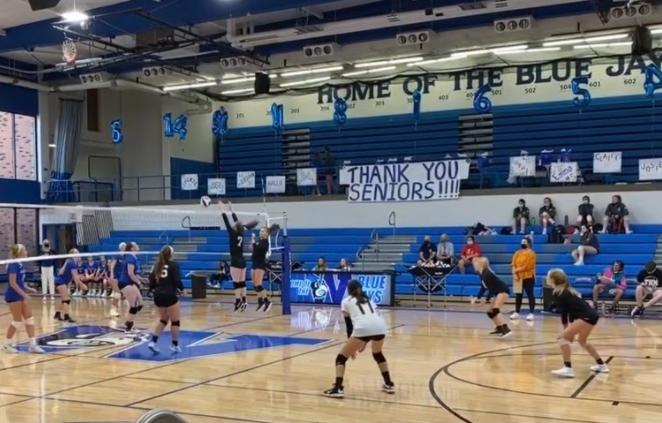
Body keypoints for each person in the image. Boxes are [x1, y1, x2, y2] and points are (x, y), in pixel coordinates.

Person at [323, 280, 394, 398]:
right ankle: (389, 384)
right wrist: (362, 342)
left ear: (349, 291)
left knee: (341, 358)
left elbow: (349, 326)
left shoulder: (346, 301)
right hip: (381, 327)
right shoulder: (369, 299)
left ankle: (337, 388)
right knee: (378, 354)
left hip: (363, 329)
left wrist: (351, 347)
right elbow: (371, 319)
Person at [547, 269, 609, 378]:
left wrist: (567, 331)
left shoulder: (559, 292)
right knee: (582, 341)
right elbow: (571, 311)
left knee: (561, 338)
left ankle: (568, 368)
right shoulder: (565, 290)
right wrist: (569, 331)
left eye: (548, 276)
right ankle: (601, 365)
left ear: (552, 280)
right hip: (591, 315)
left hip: (587, 316)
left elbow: (564, 312)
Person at [3, 244, 44, 353]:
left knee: (30, 319)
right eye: (25, 249)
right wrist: (25, 295)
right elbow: (12, 283)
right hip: (13, 296)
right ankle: (6, 344)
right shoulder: (13, 264)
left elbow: (19, 282)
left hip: (20, 294)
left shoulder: (20, 264)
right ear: (19, 252)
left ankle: (32, 345)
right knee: (17, 321)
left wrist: (28, 289)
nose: (26, 251)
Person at [221, 201, 259, 313]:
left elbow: (226, 221)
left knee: (236, 283)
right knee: (242, 282)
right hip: (242, 261)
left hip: (235, 261)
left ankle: (237, 301)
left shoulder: (233, 233)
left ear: (235, 228)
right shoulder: (241, 233)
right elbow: (235, 221)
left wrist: (222, 209)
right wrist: (232, 209)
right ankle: (244, 300)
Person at [148, 245, 184, 354]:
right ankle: (174, 344)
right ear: (172, 254)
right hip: (169, 295)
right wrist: (182, 289)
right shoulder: (174, 265)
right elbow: (177, 280)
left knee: (163, 319)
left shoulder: (156, 265)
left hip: (158, 295)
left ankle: (153, 342)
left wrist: (153, 289)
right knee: (175, 321)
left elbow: (151, 282)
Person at [474, 257, 512, 338]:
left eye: (476, 263)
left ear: (481, 264)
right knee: (490, 312)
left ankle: (506, 329)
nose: (474, 264)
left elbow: (491, 289)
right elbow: (483, 287)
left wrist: (485, 300)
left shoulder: (487, 274)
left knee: (495, 309)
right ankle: (499, 328)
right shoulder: (482, 274)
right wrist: (477, 298)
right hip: (497, 292)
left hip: (503, 290)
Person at [118, 242, 147, 333]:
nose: (138, 246)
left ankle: (128, 322)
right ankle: (129, 327)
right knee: (134, 306)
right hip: (125, 283)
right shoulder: (130, 258)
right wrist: (138, 282)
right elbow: (130, 274)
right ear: (131, 248)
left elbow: (133, 273)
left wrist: (142, 279)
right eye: (136, 245)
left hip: (130, 283)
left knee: (140, 304)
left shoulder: (133, 257)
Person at [251, 224, 279, 312]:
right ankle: (260, 301)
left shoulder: (265, 242)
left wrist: (253, 243)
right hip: (254, 263)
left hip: (260, 265)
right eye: (260, 231)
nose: (260, 232)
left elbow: (259, 248)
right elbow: (255, 249)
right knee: (255, 285)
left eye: (262, 231)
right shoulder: (260, 240)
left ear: (266, 234)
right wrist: (253, 245)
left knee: (258, 285)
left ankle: (267, 301)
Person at [54, 249, 87, 323]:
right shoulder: (71, 262)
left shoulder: (71, 262)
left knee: (63, 298)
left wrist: (68, 286)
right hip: (60, 281)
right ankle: (66, 316)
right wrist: (82, 285)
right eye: (77, 252)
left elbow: (71, 277)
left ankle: (57, 314)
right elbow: (75, 277)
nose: (79, 254)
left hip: (62, 281)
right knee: (66, 299)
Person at [510, 236, 537, 321]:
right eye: (522, 242)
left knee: (530, 295)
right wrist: (514, 273)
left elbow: (527, 266)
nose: (523, 244)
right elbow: (513, 263)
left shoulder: (531, 253)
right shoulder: (517, 252)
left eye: (524, 242)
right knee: (518, 295)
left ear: (528, 244)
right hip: (518, 277)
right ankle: (517, 312)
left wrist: (515, 271)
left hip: (528, 276)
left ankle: (531, 313)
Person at [109, 242, 126, 318]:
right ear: (119, 248)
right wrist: (112, 275)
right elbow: (112, 265)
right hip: (115, 276)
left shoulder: (125, 256)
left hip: (122, 277)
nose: (124, 247)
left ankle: (115, 309)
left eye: (125, 246)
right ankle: (113, 310)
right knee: (117, 293)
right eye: (122, 246)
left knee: (119, 294)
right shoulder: (117, 255)